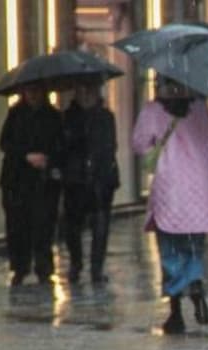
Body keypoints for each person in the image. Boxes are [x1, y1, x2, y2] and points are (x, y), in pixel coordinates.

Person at [131, 79, 208, 335]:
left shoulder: (153, 111)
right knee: (193, 248)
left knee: (170, 253)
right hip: (199, 191)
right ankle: (196, 284)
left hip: (170, 190)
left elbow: (139, 145)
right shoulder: (201, 109)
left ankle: (176, 313)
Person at [0, 82, 63, 286]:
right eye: (29, 91)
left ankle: (43, 266)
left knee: (44, 225)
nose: (33, 95)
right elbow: (5, 143)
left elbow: (61, 146)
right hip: (17, 179)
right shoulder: (15, 114)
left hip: (43, 181)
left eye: (36, 91)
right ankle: (19, 266)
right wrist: (26, 155)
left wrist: (47, 159)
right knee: (18, 225)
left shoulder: (53, 116)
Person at [61, 80, 119, 285]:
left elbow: (110, 146)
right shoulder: (68, 117)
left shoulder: (105, 117)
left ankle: (97, 268)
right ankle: (76, 263)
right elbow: (63, 147)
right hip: (75, 179)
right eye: (82, 90)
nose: (86, 94)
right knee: (72, 226)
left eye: (90, 90)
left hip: (101, 179)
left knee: (101, 224)